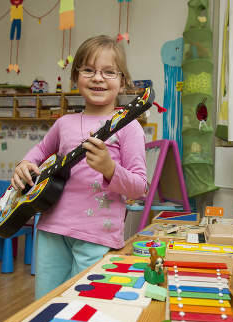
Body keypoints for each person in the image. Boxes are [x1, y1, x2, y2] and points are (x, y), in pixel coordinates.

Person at [12, 35, 147, 299]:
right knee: (46, 301)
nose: (98, 78)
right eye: (88, 70)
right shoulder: (64, 123)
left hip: (98, 235)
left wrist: (110, 168)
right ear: (76, 78)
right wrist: (26, 163)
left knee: (86, 305)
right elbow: (40, 150)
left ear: (122, 83)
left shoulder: (129, 127)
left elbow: (140, 186)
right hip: (51, 227)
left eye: (109, 72)